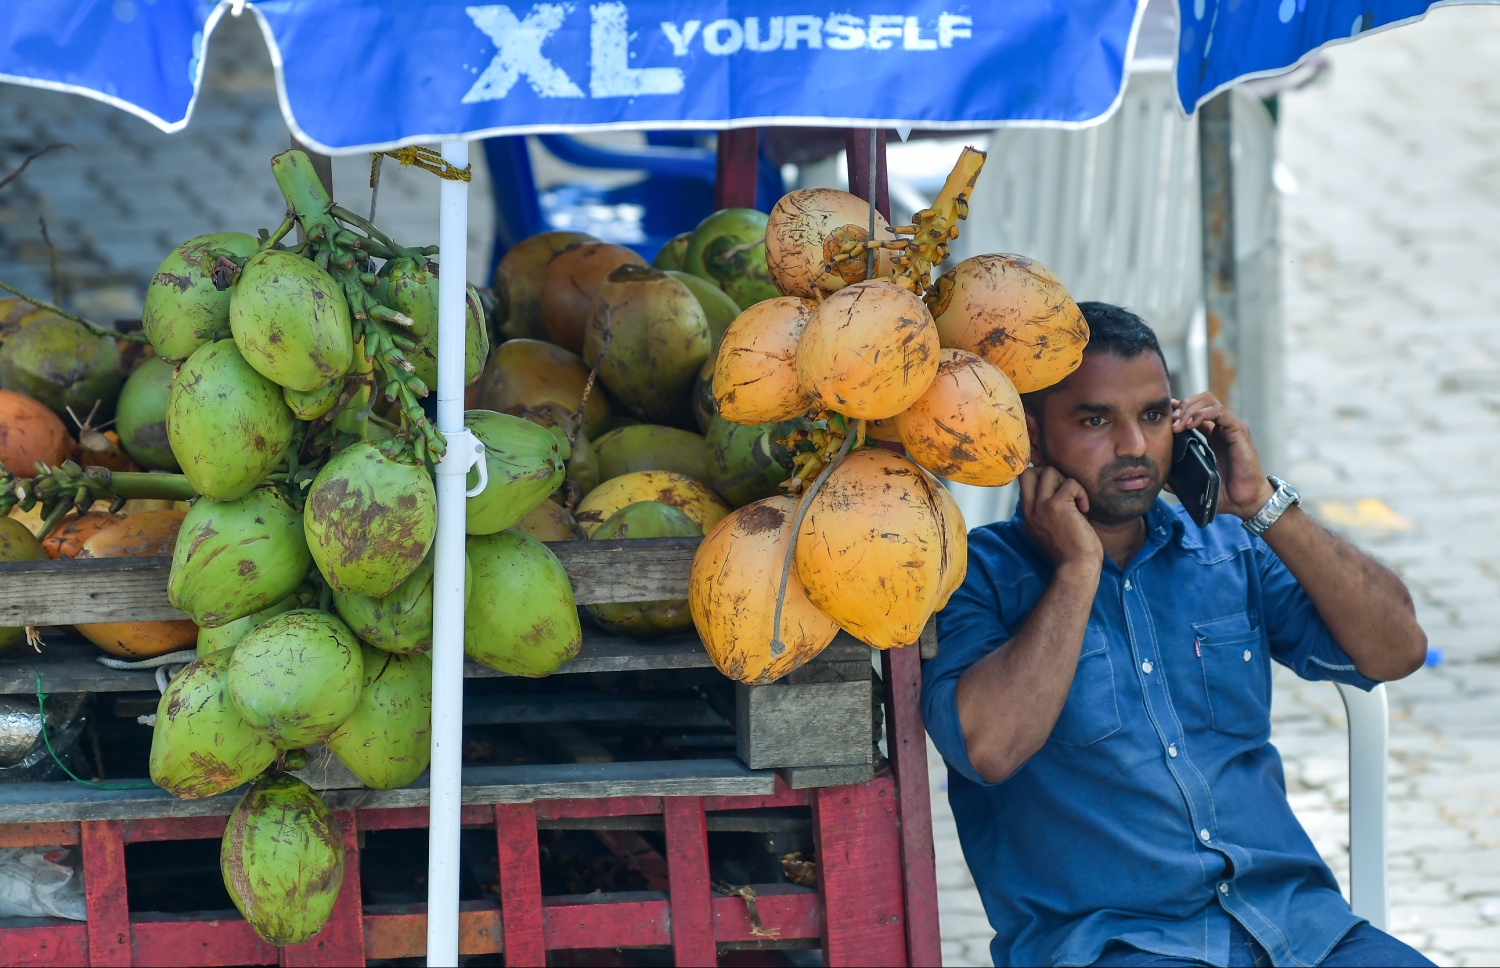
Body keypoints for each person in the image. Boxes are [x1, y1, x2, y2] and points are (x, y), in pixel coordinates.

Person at [922, 303, 1432, 967]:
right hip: (1120, 945)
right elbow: (988, 749)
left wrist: (1262, 504)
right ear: (1033, 438)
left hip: (1300, 930)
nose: (1133, 444)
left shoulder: (1229, 549)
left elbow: (1399, 649)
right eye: (1096, 420)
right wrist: (1077, 572)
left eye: (1154, 415)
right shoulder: (974, 577)